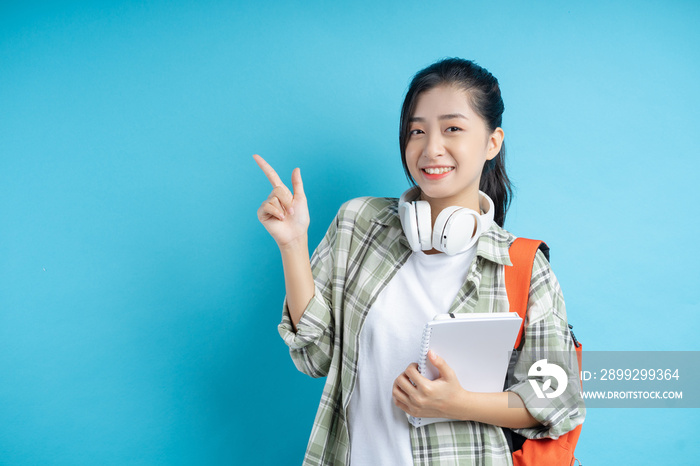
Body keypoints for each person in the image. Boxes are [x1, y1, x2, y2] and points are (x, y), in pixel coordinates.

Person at [254, 58, 585, 466]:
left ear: (492, 142)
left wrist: (459, 403)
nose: (431, 148)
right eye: (417, 130)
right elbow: (314, 356)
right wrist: (293, 244)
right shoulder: (359, 224)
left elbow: (556, 399)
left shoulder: (522, 266)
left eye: (452, 128)